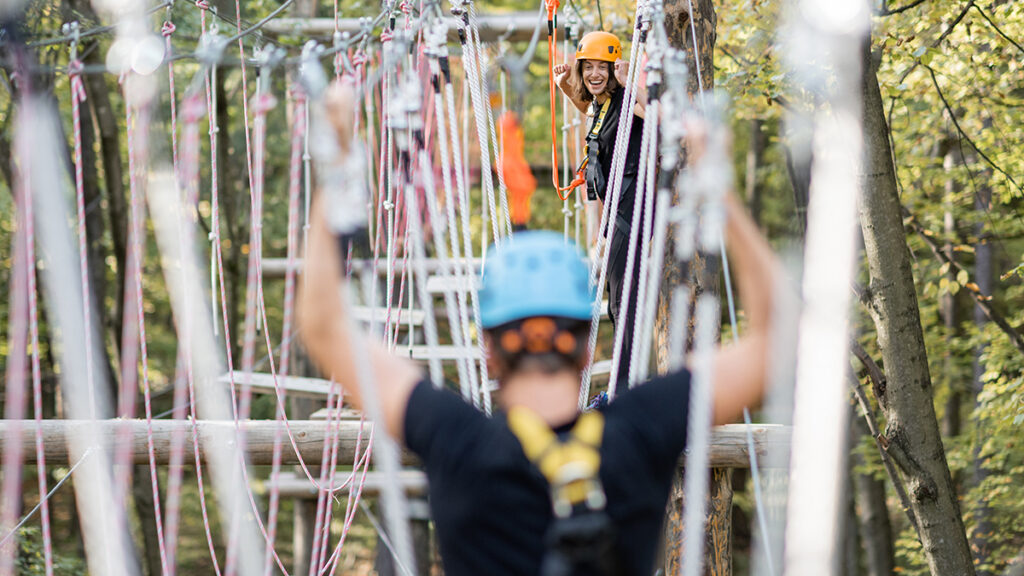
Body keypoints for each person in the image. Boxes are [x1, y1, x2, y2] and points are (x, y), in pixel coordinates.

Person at [299, 83, 781, 576]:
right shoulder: (641, 430)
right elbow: (777, 339)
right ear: (586, 349)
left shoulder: (455, 439)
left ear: (489, 350)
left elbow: (322, 325)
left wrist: (337, 165)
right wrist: (715, 185)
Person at [553, 30, 648, 387]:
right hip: (616, 212)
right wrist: (564, 85)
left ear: (612, 69)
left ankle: (626, 387)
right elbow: (587, 110)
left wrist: (630, 81)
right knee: (616, 298)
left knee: (624, 298)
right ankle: (624, 384)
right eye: (588, 67)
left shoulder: (624, 100)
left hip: (630, 209)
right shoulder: (604, 104)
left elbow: (658, 117)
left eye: (601, 68)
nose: (595, 74)